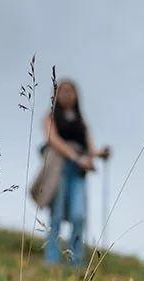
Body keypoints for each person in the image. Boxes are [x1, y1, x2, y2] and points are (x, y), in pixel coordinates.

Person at [42, 79, 110, 266]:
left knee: (79, 215)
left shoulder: (81, 121)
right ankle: (52, 259)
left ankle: (75, 260)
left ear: (77, 95)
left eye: (70, 91)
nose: (66, 95)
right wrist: (75, 156)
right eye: (62, 92)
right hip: (59, 170)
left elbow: (90, 147)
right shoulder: (50, 118)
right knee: (56, 214)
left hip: (78, 173)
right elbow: (53, 140)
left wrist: (100, 153)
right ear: (55, 96)